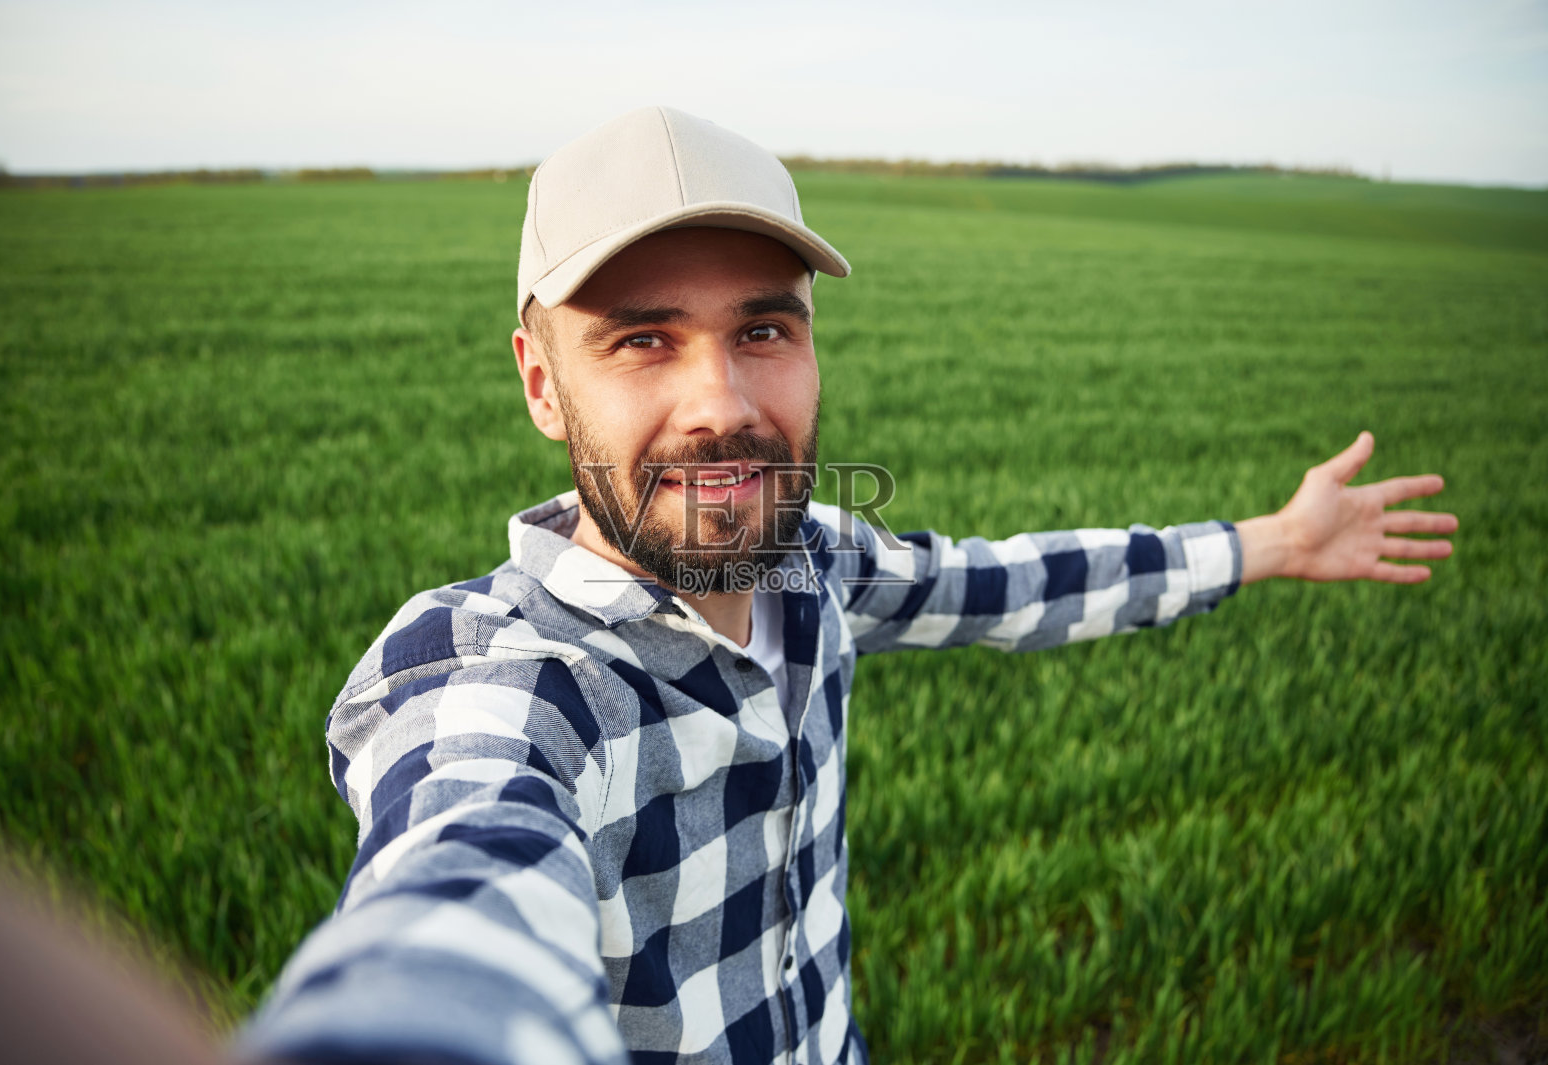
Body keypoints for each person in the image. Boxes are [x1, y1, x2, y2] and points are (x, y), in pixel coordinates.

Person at [237, 106, 1456, 1065]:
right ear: (543, 384)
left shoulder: (812, 565)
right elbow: (461, 889)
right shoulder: (507, 685)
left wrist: (1268, 542)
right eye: (642, 340)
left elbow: (1003, 586)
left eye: (763, 331)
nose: (719, 404)